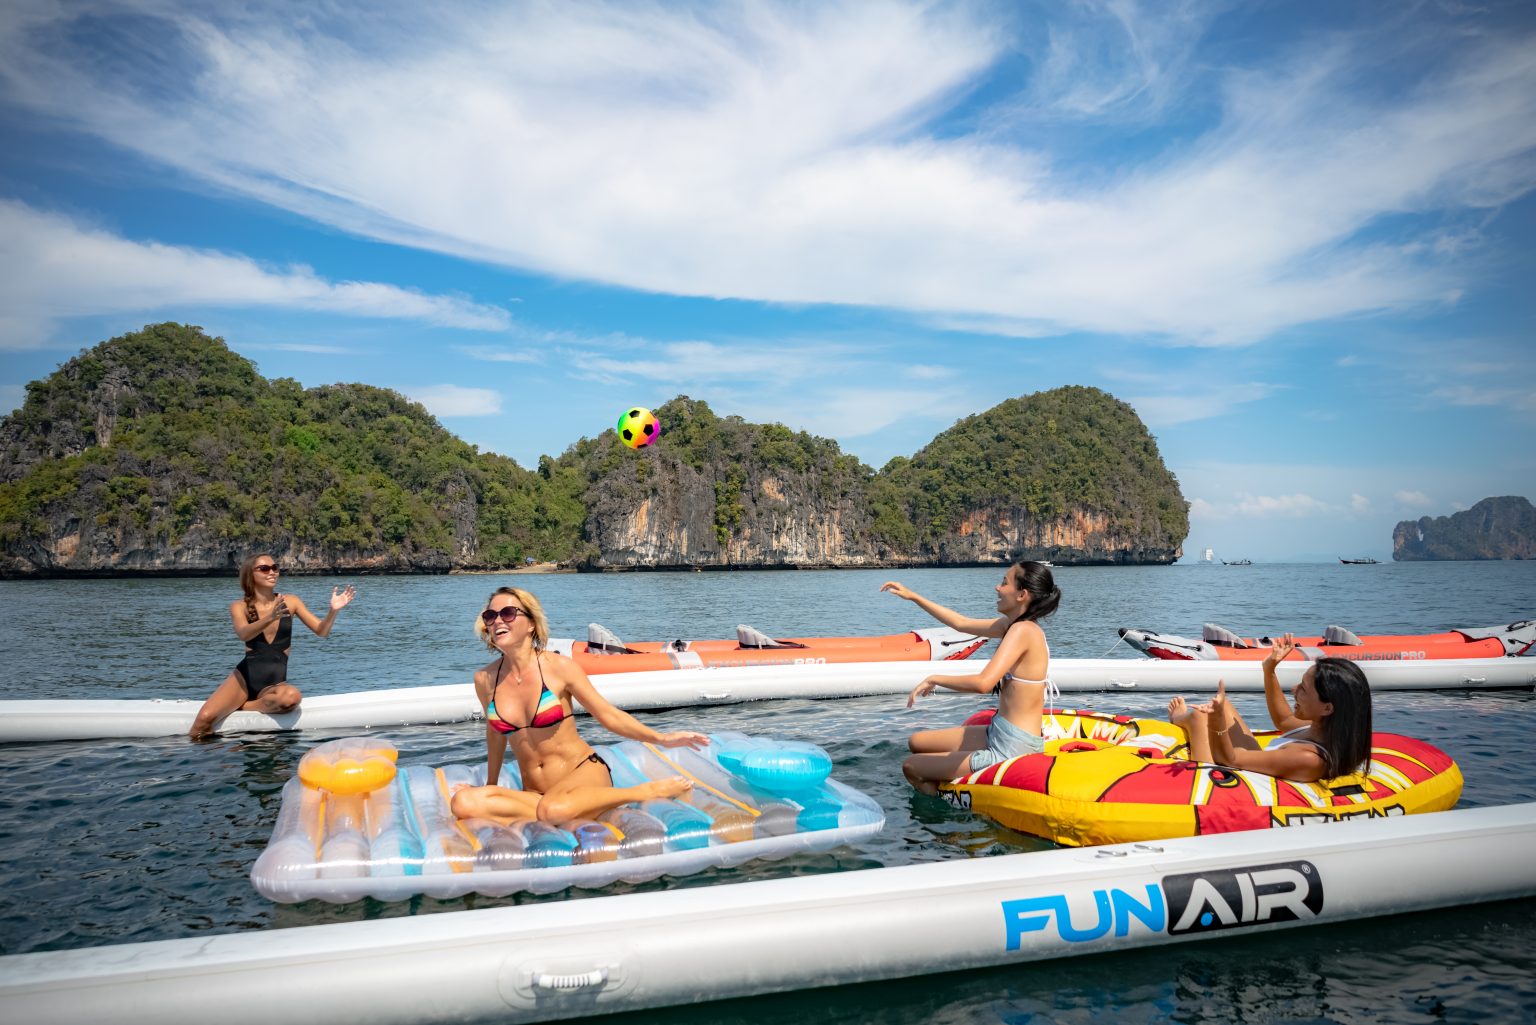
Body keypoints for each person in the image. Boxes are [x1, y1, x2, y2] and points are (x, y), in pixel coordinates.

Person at [450, 587, 708, 825]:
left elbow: (607, 715)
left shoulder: (559, 668)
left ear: (531, 624)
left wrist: (661, 738)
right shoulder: (485, 679)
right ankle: (561, 810)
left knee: (553, 810)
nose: (498, 621)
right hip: (537, 793)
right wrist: (489, 786)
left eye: (507, 613)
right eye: (490, 616)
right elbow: (495, 735)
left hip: (582, 773)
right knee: (463, 803)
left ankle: (643, 791)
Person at [881, 562, 1062, 795]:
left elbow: (983, 683)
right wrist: (914, 596)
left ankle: (946, 820)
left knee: (912, 767)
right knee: (916, 742)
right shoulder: (1013, 626)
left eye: (1005, 582)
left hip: (1012, 748)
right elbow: (961, 623)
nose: (997, 587)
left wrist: (935, 678)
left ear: (1022, 594)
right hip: (999, 732)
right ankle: (949, 781)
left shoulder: (1023, 632)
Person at [189, 554, 357, 738]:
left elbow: (321, 631)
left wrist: (333, 611)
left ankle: (244, 705)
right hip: (244, 679)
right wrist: (271, 617)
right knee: (203, 720)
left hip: (274, 684)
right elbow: (243, 633)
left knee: (291, 697)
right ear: (250, 575)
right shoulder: (239, 606)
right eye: (264, 568)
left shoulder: (291, 601)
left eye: (275, 567)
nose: (272, 572)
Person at [1167, 633, 1374, 783]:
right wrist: (1269, 670)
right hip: (1243, 768)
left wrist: (1216, 723)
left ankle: (1180, 718)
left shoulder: (1308, 758)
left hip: (1222, 781)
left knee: (1199, 718)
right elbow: (1283, 720)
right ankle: (1197, 717)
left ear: (1327, 708)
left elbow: (1229, 759)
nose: (1294, 689)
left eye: (1303, 689)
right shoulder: (1324, 728)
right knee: (1224, 705)